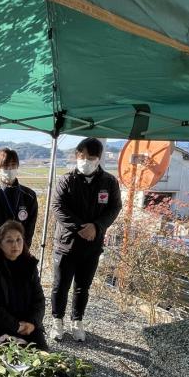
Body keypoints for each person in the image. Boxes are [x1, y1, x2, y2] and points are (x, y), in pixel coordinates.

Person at [50, 138, 122, 342]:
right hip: (66, 245)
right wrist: (81, 227)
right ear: (76, 156)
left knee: (83, 287)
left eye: (91, 158)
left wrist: (97, 227)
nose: (86, 161)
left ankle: (77, 321)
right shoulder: (66, 180)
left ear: (99, 158)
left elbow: (115, 207)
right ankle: (57, 320)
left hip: (92, 246)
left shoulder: (109, 182)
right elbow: (57, 207)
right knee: (60, 286)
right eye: (82, 157)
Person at [0, 221, 48, 350]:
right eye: (9, 241)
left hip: (28, 324)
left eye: (18, 240)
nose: (15, 244)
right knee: (14, 357)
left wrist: (33, 323)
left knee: (44, 356)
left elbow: (39, 299)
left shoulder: (30, 265)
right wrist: (16, 326)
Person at [0, 147, 38, 254]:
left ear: (17, 166)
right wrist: (0, 249)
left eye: (13, 165)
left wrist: (21, 248)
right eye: (6, 166)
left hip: (20, 250)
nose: (10, 169)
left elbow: (30, 228)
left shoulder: (29, 196)